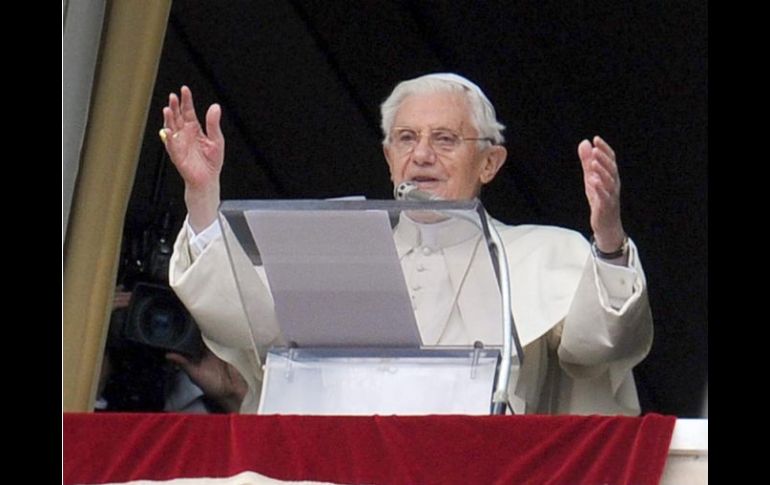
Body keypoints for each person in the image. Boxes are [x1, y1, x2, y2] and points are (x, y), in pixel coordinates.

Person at [161, 73, 652, 415]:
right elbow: (246, 320)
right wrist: (203, 197)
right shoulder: (334, 252)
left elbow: (601, 347)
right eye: (406, 138)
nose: (421, 155)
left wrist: (608, 237)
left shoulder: (542, 254)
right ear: (388, 155)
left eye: (444, 139)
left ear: (490, 163)